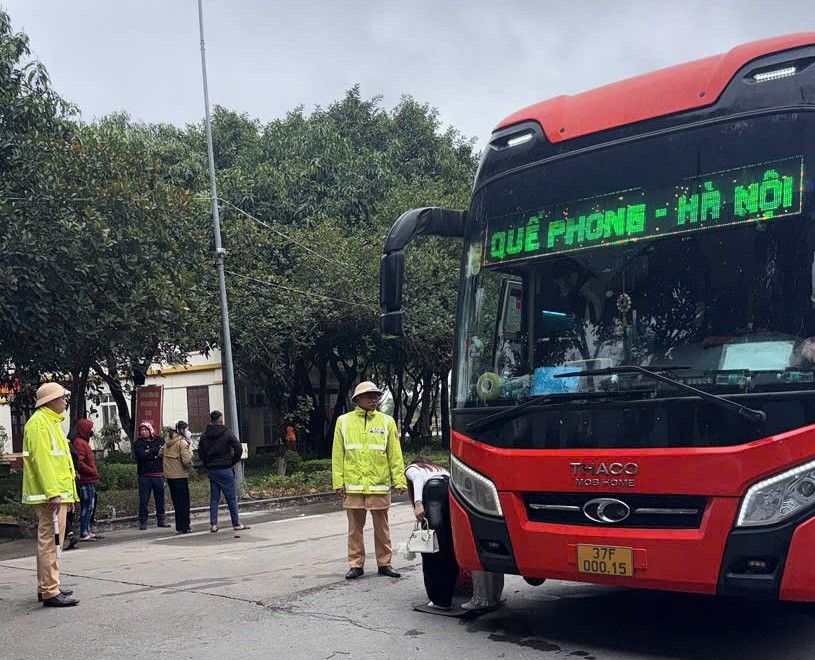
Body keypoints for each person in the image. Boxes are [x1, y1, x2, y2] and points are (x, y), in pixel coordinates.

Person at [332, 381, 406, 580]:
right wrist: (338, 482)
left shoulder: (386, 421)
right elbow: (338, 454)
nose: (373, 399)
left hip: (378, 483)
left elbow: (394, 453)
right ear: (357, 400)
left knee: (382, 527)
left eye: (376, 396)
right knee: (354, 529)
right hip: (353, 484)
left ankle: (385, 563)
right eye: (368, 396)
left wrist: (399, 480)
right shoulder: (344, 421)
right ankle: (356, 565)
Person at [21, 383, 79, 607]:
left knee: (52, 542)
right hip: (50, 496)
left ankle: (47, 585)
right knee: (50, 542)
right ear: (51, 400)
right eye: (63, 398)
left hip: (57, 495)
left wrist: (69, 496)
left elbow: (62, 465)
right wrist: (54, 493)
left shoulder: (51, 423)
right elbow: (42, 462)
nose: (65, 401)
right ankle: (49, 590)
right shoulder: (39, 424)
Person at [405, 456, 457, 609]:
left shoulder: (413, 468)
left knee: (432, 547)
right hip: (448, 494)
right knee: (448, 545)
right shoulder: (441, 470)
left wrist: (418, 502)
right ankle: (448, 593)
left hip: (433, 496)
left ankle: (439, 598)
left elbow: (417, 477)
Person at [198, 410, 247, 533]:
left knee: (214, 498)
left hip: (212, 470)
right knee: (231, 498)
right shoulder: (227, 433)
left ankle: (213, 525)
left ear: (211, 421)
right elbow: (238, 448)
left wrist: (207, 465)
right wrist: (232, 461)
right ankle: (236, 524)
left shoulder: (204, 436)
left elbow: (201, 453)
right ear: (221, 420)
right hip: (225, 469)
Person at [133, 421, 169, 531]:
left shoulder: (159, 440)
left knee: (160, 498)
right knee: (144, 499)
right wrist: (153, 452)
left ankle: (161, 519)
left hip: (158, 474)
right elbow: (141, 456)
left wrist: (150, 452)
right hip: (145, 475)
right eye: (141, 430)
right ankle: (143, 521)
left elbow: (162, 452)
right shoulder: (138, 444)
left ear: (150, 430)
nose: (143, 432)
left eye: (145, 430)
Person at [160, 427, 193, 533]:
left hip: (170, 476)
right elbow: (186, 461)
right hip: (180, 476)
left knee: (176, 503)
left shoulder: (167, 443)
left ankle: (179, 527)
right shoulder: (182, 443)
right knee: (184, 503)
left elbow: (160, 453)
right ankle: (185, 526)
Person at [73, 418, 101, 541]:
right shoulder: (80, 443)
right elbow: (80, 462)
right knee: (87, 506)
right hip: (86, 480)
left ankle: (88, 530)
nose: (92, 431)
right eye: (90, 429)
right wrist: (92, 471)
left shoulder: (84, 442)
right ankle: (84, 532)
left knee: (90, 506)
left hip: (90, 479)